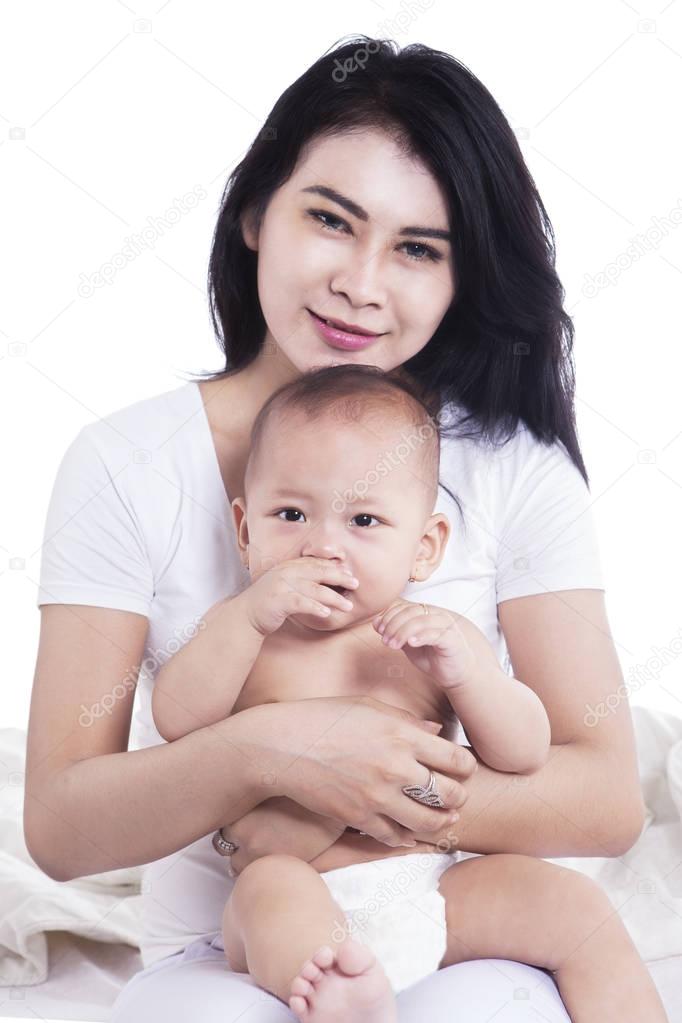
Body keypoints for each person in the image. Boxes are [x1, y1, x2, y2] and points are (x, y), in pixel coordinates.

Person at [23, 34, 648, 1023]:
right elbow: (61, 823)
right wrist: (273, 753)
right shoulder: (124, 467)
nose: (362, 282)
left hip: (443, 903)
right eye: (331, 219)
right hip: (233, 934)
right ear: (254, 216)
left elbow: (605, 799)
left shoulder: (511, 468)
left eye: (417, 249)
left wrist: (382, 787)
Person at [150, 363, 667, 1023]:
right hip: (305, 883)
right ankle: (338, 993)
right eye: (291, 513)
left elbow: (525, 749)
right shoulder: (243, 636)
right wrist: (248, 616)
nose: (323, 544)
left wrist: (471, 676)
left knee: (575, 908)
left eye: (363, 519)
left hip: (430, 886)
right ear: (246, 530)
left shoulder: (430, 642)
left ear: (424, 548)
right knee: (269, 894)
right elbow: (176, 716)